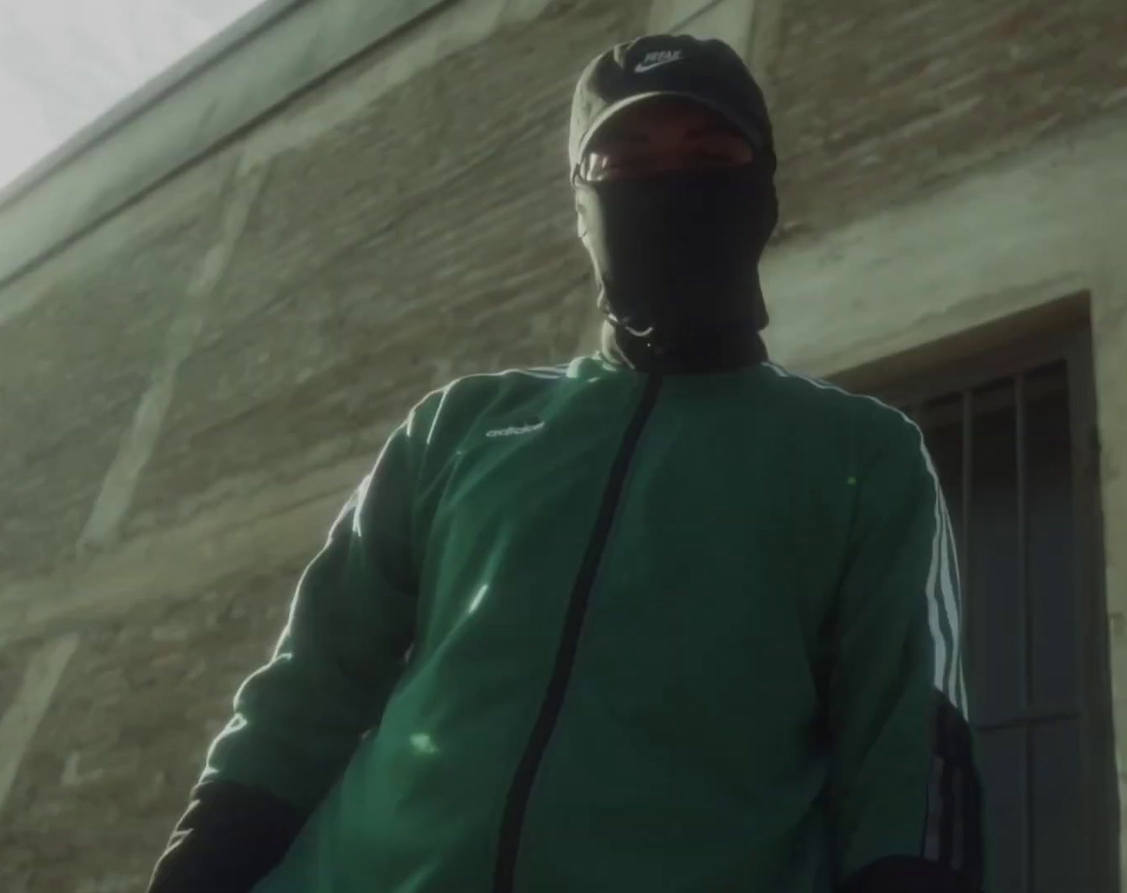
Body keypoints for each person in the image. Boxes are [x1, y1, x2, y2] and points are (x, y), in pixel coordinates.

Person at [147, 33, 983, 893]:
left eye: (710, 153)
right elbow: (309, 684)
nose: (671, 184)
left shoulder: (860, 453)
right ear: (582, 206)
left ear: (762, 191)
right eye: (625, 161)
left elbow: (911, 740)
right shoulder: (461, 424)